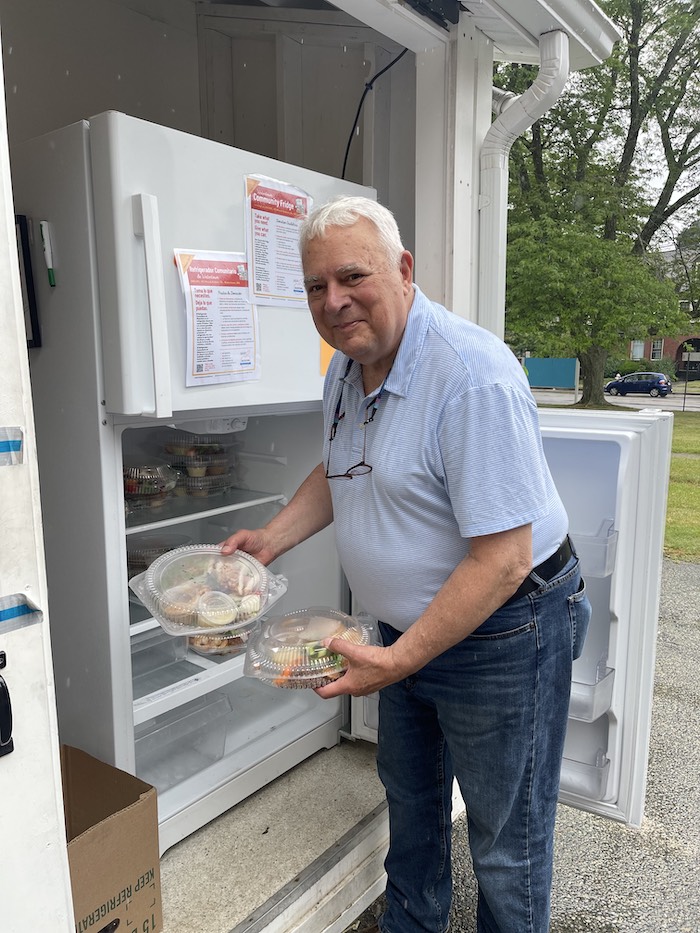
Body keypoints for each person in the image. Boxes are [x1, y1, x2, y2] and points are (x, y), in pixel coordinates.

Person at [221, 196, 591, 933]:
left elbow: (503, 560)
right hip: (401, 633)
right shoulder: (348, 366)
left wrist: (397, 661)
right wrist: (271, 539)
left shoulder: (471, 375)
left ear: (404, 269)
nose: (334, 300)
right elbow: (340, 466)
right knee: (412, 806)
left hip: (505, 629)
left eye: (352, 276)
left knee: (506, 841)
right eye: (316, 286)